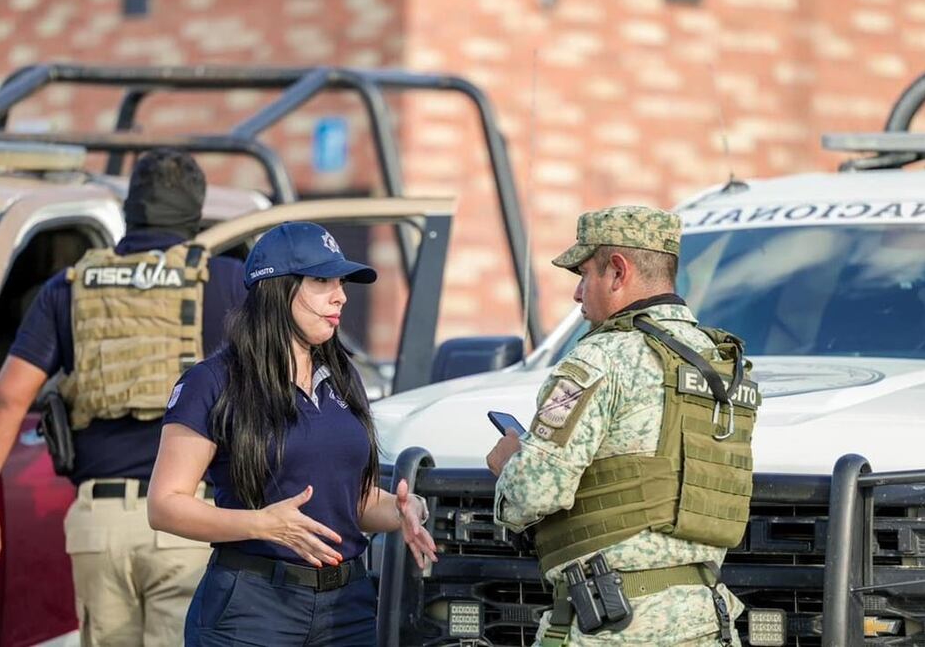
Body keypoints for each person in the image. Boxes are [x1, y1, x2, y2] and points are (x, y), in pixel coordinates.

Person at [0, 149, 246, 646]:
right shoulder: (228, 282)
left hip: (99, 527)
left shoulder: (69, 287)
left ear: (129, 211)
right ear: (197, 215)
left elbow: (7, 399)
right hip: (190, 520)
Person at [147, 220, 438, 647]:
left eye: (341, 281)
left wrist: (402, 511)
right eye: (322, 280)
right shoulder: (211, 382)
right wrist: (261, 524)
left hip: (348, 609)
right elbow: (165, 506)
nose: (340, 295)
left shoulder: (343, 376)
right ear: (276, 288)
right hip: (252, 607)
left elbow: (352, 502)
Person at [486, 206, 760, 646]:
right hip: (706, 620)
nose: (578, 293)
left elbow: (534, 492)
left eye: (584, 274)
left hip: (613, 624)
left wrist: (510, 466)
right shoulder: (724, 365)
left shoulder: (599, 359)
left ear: (617, 272)